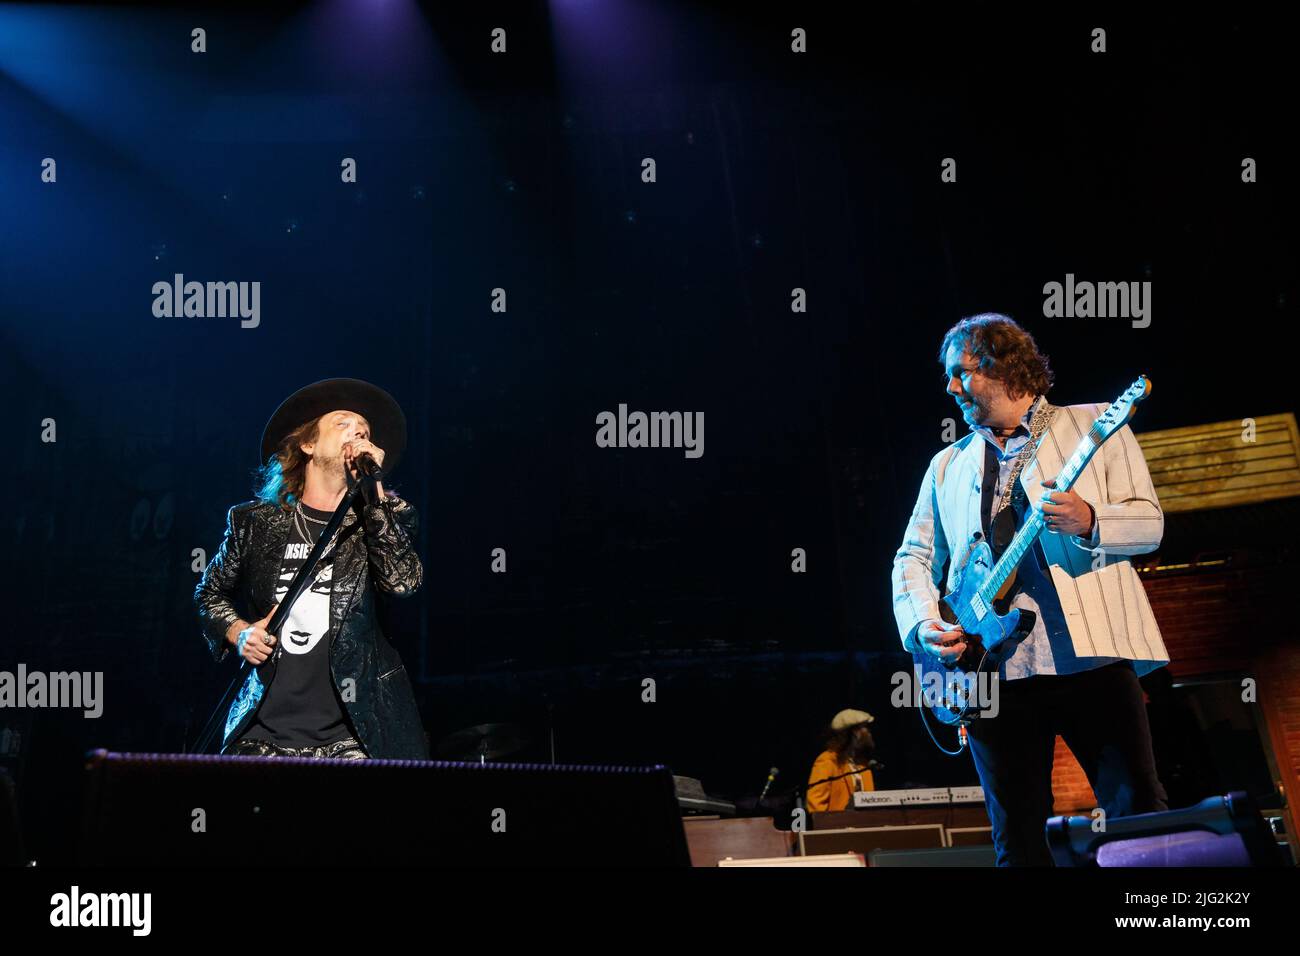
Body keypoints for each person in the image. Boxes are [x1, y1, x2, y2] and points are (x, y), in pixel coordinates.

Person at [892, 314, 1169, 865]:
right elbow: (913, 557)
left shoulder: (1093, 425)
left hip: (1090, 657)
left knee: (1137, 812)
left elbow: (1150, 524)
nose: (950, 388)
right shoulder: (947, 464)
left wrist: (1090, 518)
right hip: (992, 673)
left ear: (1002, 367)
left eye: (960, 373)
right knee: (1017, 838)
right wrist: (924, 625)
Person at [195, 378, 429, 760]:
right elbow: (208, 593)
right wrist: (238, 632)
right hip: (263, 734)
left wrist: (375, 497)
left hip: (353, 737)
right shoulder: (254, 522)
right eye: (342, 422)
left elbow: (403, 583)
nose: (358, 431)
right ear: (307, 443)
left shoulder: (385, 518)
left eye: (365, 430)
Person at [806, 709, 877, 812]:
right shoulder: (828, 760)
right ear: (853, 732)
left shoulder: (863, 764)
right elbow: (816, 804)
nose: (869, 732)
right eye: (864, 727)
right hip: (836, 826)